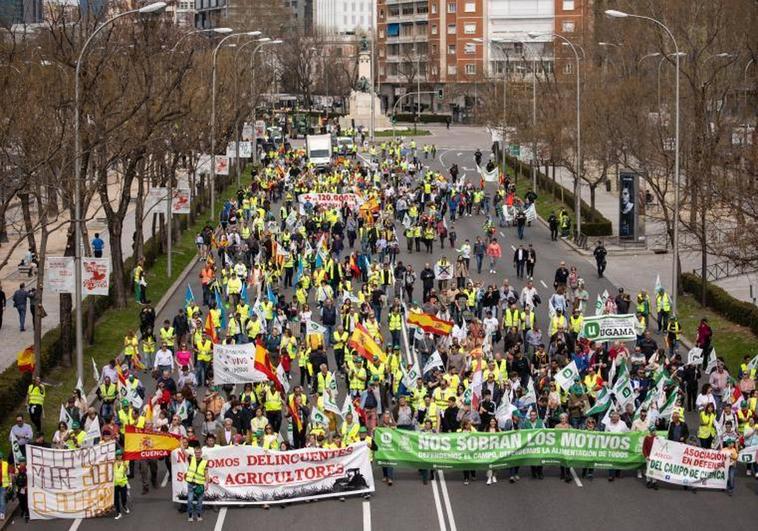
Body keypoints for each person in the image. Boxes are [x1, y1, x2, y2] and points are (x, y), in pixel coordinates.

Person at [185, 442, 209, 522]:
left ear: (201, 453)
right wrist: (180, 441)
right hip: (191, 484)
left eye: (199, 452)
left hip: (200, 485)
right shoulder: (191, 458)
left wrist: (207, 483)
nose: (197, 454)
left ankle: (198, 515)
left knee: (199, 501)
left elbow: (206, 474)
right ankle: (190, 515)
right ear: (194, 453)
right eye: (196, 452)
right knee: (190, 500)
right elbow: (183, 451)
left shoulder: (205, 462)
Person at [113, 449, 130, 519]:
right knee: (116, 499)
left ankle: (124, 505)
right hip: (115, 483)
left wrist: (126, 467)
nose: (119, 456)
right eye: (118, 455)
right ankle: (118, 512)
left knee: (124, 497)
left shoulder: (125, 463)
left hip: (123, 483)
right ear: (116, 456)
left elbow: (127, 472)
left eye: (120, 455)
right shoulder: (113, 463)